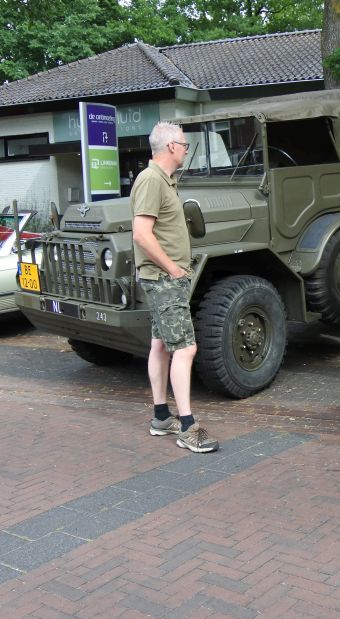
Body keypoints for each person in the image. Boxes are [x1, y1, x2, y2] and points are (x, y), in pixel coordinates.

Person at [132, 121, 219, 453]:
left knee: (160, 345)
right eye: (184, 144)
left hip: (163, 279)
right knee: (185, 348)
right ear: (171, 147)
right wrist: (172, 268)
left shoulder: (163, 180)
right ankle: (187, 427)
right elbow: (141, 234)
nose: (185, 149)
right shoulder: (151, 180)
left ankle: (160, 417)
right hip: (164, 280)